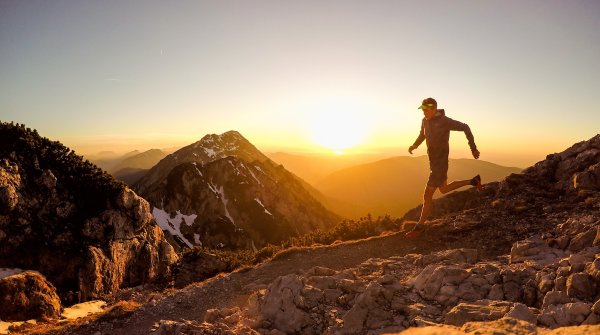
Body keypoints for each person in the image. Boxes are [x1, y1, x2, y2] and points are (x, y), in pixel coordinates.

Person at [406, 97, 482, 237]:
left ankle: (420, 226)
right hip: (433, 162)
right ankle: (473, 181)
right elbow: (422, 135)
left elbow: (465, 127)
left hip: (440, 165)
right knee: (444, 189)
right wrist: (415, 145)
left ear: (434, 109)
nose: (423, 113)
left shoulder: (444, 121)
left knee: (427, 194)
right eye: (422, 110)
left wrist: (473, 148)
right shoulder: (425, 121)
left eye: (426, 110)